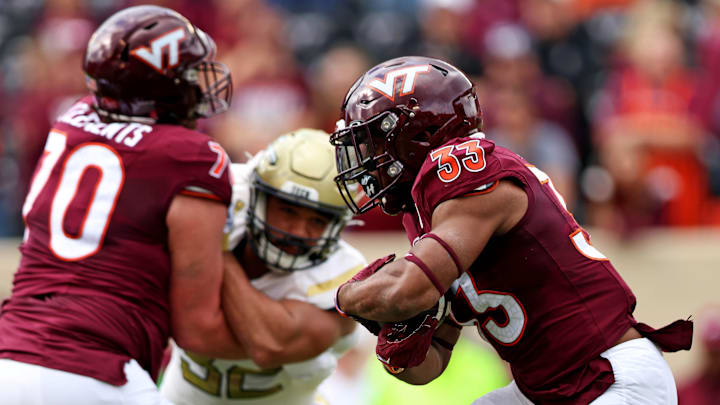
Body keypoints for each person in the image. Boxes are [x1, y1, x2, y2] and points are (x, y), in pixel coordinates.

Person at [330, 56, 693, 404]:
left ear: (416, 136)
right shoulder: (429, 214)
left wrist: (343, 297)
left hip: (607, 378)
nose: (365, 162)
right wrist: (398, 342)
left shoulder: (467, 171)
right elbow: (430, 365)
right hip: (547, 389)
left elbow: (408, 289)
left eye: (372, 143)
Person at [0, 5, 253, 404]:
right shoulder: (192, 156)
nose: (202, 86)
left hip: (9, 360)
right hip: (99, 373)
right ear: (165, 86)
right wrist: (297, 349)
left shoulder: (72, 119)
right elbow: (198, 330)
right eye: (190, 75)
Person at [160, 129, 365, 405]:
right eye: (288, 211)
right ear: (257, 197)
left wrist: (216, 247)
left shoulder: (344, 281)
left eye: (317, 221)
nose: (298, 232)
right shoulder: (221, 199)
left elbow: (269, 344)